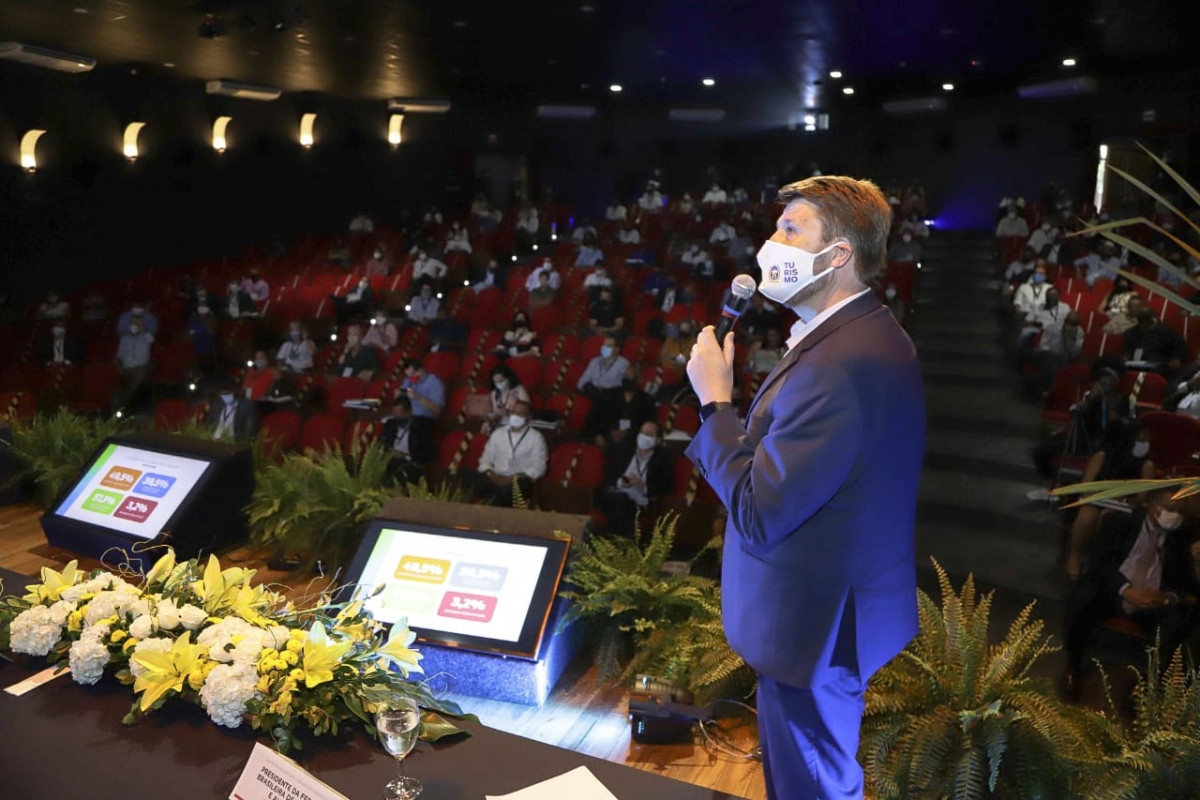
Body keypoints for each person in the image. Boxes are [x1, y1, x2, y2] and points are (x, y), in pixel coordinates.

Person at [685, 175, 925, 800]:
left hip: (815, 626)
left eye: (791, 230)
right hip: (835, 606)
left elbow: (759, 512)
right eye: (776, 227)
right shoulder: (866, 332)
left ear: (839, 254)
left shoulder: (839, 364)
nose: (772, 243)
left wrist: (715, 405)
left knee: (814, 786)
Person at [1061, 489, 1200, 701]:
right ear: (1153, 506)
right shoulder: (1120, 523)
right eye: (1170, 509)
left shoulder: (1184, 538)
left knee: (1179, 622)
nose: (1175, 516)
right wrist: (1127, 590)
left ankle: (1150, 687)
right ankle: (1074, 667)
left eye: (1181, 511)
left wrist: (1166, 597)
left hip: (1153, 602)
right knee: (1082, 597)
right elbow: (1100, 562)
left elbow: (1185, 585)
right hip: (1115, 592)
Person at [1062, 423, 1157, 581]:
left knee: (1108, 518)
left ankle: (1095, 561)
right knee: (1087, 518)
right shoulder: (1101, 457)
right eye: (1140, 439)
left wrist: (1122, 497)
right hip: (1097, 499)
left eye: (1146, 440)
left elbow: (1141, 499)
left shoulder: (1147, 466)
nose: (1144, 443)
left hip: (1125, 506)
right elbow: (1085, 487)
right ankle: (1074, 554)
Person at [596, 420, 673, 537]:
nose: (643, 436)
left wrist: (643, 487)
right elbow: (609, 474)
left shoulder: (662, 459)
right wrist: (620, 482)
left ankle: (615, 539)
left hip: (639, 501)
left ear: (657, 440)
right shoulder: (626, 450)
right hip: (616, 493)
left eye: (648, 434)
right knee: (610, 497)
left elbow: (666, 486)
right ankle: (618, 540)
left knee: (621, 502)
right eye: (642, 432)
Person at [468, 400, 548, 506]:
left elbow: (539, 469)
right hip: (495, 477)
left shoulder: (536, 438)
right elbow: (485, 460)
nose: (515, 416)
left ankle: (489, 505)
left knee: (510, 490)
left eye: (520, 414)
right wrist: (491, 474)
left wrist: (512, 478)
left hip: (518, 481)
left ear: (528, 418)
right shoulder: (498, 433)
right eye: (513, 412)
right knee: (467, 475)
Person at [379, 395, 436, 486]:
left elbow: (429, 453)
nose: (398, 418)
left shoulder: (421, 427)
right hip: (390, 460)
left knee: (395, 469)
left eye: (401, 415)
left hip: (410, 463)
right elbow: (380, 444)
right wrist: (389, 452)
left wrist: (406, 456)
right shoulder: (390, 424)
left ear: (410, 412)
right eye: (395, 415)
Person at [1124, 307, 1187, 376]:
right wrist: (1125, 358)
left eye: (1147, 321)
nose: (1144, 324)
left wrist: (1176, 358)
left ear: (1151, 320)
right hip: (1136, 364)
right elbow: (1127, 351)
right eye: (1141, 321)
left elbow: (1179, 345)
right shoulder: (1131, 333)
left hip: (1157, 364)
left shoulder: (1163, 331)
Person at [115, 315, 155, 409]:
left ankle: (123, 403)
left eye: (138, 323)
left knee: (136, 378)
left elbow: (152, 340)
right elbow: (119, 355)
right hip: (126, 367)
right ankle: (118, 403)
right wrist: (118, 365)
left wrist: (143, 329)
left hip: (140, 367)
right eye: (133, 323)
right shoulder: (125, 339)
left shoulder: (146, 337)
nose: (135, 325)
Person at [577, 335, 630, 400]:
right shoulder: (594, 361)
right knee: (588, 387)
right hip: (592, 392)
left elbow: (621, 385)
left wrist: (602, 387)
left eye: (608, 346)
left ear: (617, 349)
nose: (604, 348)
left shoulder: (623, 363)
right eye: (603, 345)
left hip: (610, 395)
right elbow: (582, 382)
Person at [484, 363, 532, 433]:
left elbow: (526, 410)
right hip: (501, 423)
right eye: (496, 382)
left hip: (517, 422)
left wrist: (511, 409)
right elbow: (496, 412)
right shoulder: (494, 393)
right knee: (486, 426)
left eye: (501, 381)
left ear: (509, 378)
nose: (499, 384)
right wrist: (492, 417)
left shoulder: (519, 390)